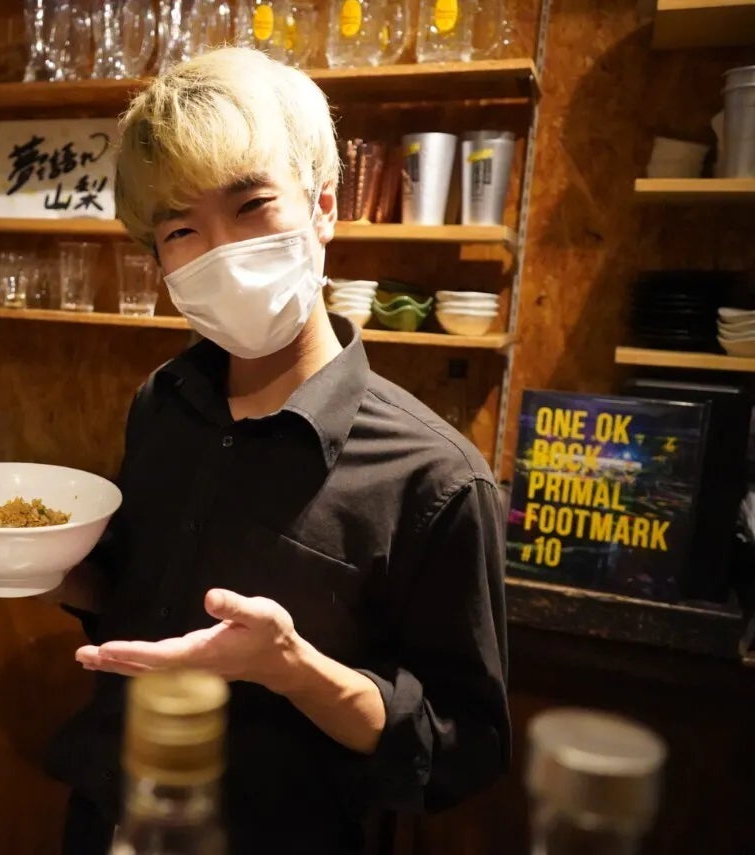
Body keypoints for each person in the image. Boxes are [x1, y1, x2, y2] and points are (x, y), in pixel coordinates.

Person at [44, 47, 510, 855]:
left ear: (323, 206)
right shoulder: (164, 402)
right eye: (182, 229)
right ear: (159, 260)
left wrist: (292, 665)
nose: (222, 250)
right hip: (109, 818)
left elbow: (461, 746)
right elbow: (130, 592)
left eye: (253, 205)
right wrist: (40, 562)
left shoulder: (437, 478)